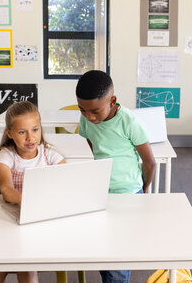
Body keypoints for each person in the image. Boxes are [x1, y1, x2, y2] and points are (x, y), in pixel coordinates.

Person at [76, 70, 156, 283]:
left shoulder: (128, 121)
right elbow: (93, 145)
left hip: (129, 193)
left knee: (119, 256)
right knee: (105, 248)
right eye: (82, 110)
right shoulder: (86, 119)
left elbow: (149, 162)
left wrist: (144, 188)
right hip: (101, 192)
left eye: (94, 111)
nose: (89, 117)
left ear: (112, 101)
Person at [0, 101, 66, 283]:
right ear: (10, 133)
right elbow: (7, 191)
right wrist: (33, 201)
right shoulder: (6, 155)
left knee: (27, 271)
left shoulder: (49, 154)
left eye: (35, 130)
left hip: (38, 223)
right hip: (8, 220)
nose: (30, 138)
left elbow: (65, 182)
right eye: (22, 132)